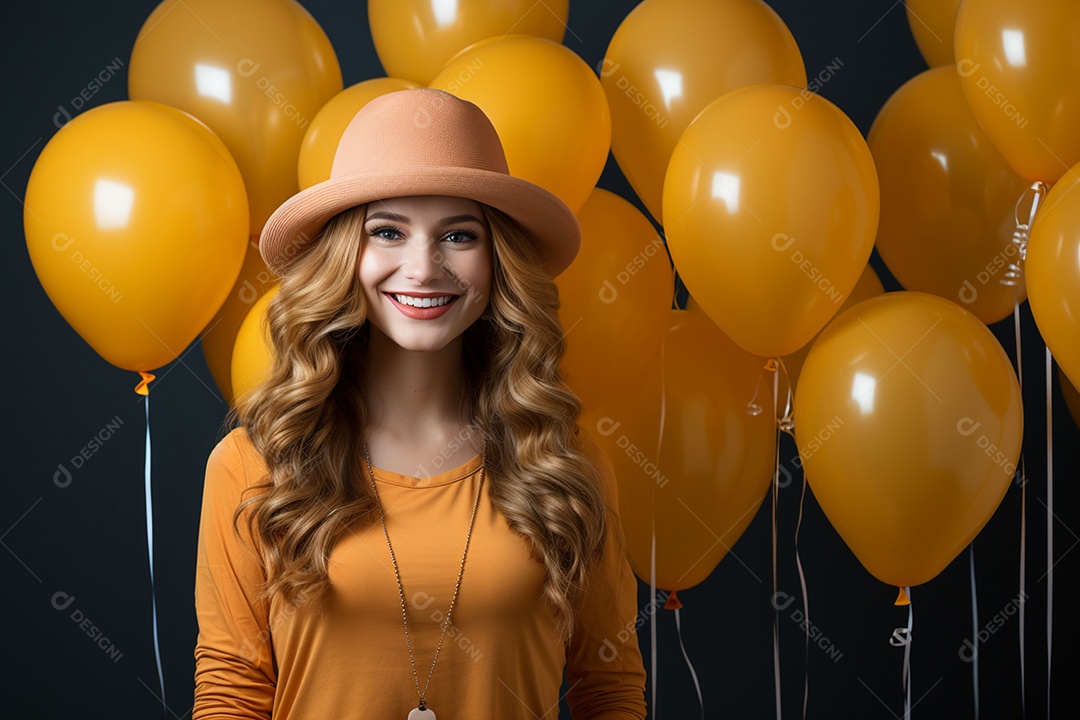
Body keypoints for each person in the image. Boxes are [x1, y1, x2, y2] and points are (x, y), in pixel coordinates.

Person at [193, 88, 648, 719]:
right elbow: (231, 692)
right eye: (387, 232)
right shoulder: (250, 466)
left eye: (458, 235)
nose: (423, 267)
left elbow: (611, 690)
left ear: (498, 262)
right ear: (344, 258)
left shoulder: (567, 468)